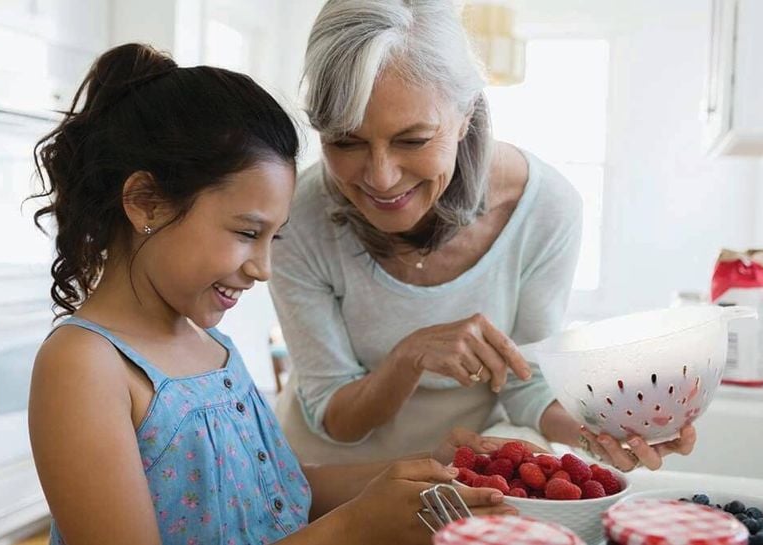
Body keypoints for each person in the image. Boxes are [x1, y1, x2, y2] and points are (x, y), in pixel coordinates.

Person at [28, 43, 517, 545]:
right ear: (146, 203)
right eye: (246, 232)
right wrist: (352, 527)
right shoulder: (85, 365)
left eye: (272, 238)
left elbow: (280, 492)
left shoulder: (209, 347)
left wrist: (427, 470)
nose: (263, 268)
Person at [270, 0, 696, 471]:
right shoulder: (297, 214)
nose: (382, 177)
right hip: (328, 474)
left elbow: (526, 382)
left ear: (466, 115)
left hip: (464, 470)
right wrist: (409, 356)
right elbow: (334, 415)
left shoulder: (544, 209)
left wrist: (608, 431)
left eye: (412, 140)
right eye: (345, 142)